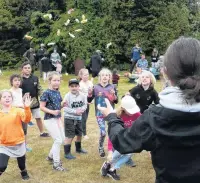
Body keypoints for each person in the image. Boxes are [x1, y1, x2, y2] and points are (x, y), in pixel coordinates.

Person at [98, 37, 200, 183]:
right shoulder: (152, 115)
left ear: (165, 73)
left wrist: (112, 116)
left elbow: (122, 142)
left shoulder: (154, 118)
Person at [100, 95, 141, 180]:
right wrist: (110, 150)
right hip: (118, 138)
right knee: (115, 155)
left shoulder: (137, 114)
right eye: (129, 110)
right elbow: (112, 134)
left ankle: (113, 169)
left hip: (130, 138)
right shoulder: (116, 116)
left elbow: (143, 124)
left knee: (128, 154)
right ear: (123, 108)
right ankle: (107, 165)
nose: (132, 112)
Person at [0, 90, 32, 180]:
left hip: (18, 142)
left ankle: (23, 171)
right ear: (0, 100)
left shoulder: (18, 111)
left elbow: (27, 119)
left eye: (9, 96)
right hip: (4, 145)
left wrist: (27, 108)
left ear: (12, 99)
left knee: (21, 163)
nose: (7, 98)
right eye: (4, 97)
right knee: (1, 166)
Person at [88, 68, 118, 158]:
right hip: (99, 113)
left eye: (107, 75)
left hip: (110, 113)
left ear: (109, 77)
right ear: (99, 77)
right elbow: (89, 100)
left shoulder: (113, 87)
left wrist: (114, 95)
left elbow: (116, 101)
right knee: (103, 132)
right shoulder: (95, 87)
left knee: (112, 132)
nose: (105, 77)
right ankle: (100, 147)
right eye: (103, 75)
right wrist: (89, 94)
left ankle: (112, 148)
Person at [40, 72, 66, 171]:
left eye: (58, 80)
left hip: (57, 119)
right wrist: (52, 112)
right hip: (49, 119)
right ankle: (56, 164)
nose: (56, 82)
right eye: (54, 80)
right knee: (58, 140)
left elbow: (58, 106)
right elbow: (42, 107)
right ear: (49, 81)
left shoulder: (57, 92)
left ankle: (50, 156)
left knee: (62, 139)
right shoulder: (46, 92)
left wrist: (63, 105)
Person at [20, 62, 49, 137]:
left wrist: (43, 97)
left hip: (35, 102)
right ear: (22, 69)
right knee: (24, 120)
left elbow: (39, 89)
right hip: (24, 103)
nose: (27, 69)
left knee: (38, 117)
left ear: (31, 69)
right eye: (25, 68)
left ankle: (42, 132)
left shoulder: (35, 78)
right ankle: (23, 134)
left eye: (29, 68)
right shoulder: (19, 80)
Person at [63, 79, 88, 160]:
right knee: (69, 136)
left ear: (78, 86)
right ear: (69, 87)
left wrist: (82, 110)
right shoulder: (67, 96)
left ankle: (78, 148)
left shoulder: (83, 95)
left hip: (79, 118)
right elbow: (65, 108)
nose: (74, 88)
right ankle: (67, 153)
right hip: (69, 118)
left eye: (75, 86)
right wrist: (75, 111)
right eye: (72, 86)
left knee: (79, 134)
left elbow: (85, 105)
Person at [9, 74, 32, 152]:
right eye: (15, 80)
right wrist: (20, 106)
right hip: (15, 113)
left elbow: (20, 100)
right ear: (11, 82)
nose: (17, 82)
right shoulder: (10, 92)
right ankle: (15, 146)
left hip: (22, 111)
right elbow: (10, 104)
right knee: (16, 130)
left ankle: (24, 146)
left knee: (24, 130)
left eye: (19, 80)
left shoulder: (20, 90)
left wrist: (24, 97)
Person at [78, 68, 93, 140]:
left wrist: (91, 100)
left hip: (88, 103)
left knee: (85, 118)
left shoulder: (90, 82)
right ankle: (84, 134)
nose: (86, 76)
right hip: (82, 104)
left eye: (87, 74)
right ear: (81, 76)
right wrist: (85, 101)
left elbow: (92, 93)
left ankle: (79, 130)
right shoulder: (80, 84)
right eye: (84, 75)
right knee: (83, 119)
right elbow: (80, 95)